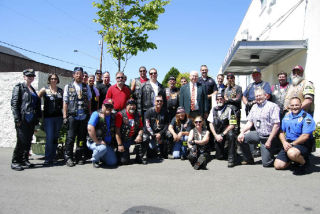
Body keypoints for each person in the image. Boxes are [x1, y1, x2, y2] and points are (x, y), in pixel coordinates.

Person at [237, 88, 280, 167]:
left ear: (265, 96)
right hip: (258, 134)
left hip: (268, 137)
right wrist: (242, 132)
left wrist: (269, 140)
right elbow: (250, 122)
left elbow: (276, 125)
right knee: (241, 139)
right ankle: (249, 159)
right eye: (256, 96)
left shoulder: (273, 106)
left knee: (266, 163)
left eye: (260, 95)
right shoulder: (254, 107)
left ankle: (276, 158)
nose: (258, 98)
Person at [274, 97, 316, 174]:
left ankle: (305, 163)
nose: (294, 107)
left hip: (303, 144)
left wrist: (292, 144)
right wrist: (284, 143)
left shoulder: (306, 117)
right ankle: (294, 160)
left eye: (296, 105)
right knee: (278, 165)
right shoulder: (287, 117)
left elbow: (305, 136)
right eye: (292, 105)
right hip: (289, 143)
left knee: (292, 153)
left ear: (301, 105)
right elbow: (281, 131)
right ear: (289, 106)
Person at [11, 69, 41, 171]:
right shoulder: (19, 87)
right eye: (28, 76)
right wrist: (17, 119)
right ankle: (15, 161)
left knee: (28, 140)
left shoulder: (32, 89)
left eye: (32, 76)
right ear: (24, 76)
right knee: (21, 141)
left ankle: (24, 160)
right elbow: (14, 104)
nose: (30, 77)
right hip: (23, 119)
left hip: (31, 119)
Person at [63, 67, 92, 167]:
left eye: (81, 74)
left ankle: (79, 157)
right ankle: (68, 157)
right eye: (77, 74)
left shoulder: (86, 87)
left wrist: (89, 114)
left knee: (81, 138)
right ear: (73, 75)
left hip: (83, 117)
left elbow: (89, 101)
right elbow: (65, 102)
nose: (79, 75)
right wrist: (64, 116)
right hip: (72, 116)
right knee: (70, 138)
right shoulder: (68, 86)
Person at [38, 73, 63, 166]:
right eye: (52, 78)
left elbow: (65, 102)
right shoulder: (44, 89)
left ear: (57, 80)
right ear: (49, 80)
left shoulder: (60, 90)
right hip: (48, 118)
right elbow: (37, 98)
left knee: (55, 138)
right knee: (49, 138)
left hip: (58, 117)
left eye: (55, 78)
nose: (54, 80)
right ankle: (48, 158)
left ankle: (53, 156)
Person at [208, 93, 238, 167]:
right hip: (217, 134)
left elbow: (233, 124)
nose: (219, 100)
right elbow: (210, 123)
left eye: (221, 98)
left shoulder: (231, 109)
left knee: (231, 135)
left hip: (226, 132)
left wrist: (223, 134)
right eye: (217, 99)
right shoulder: (213, 109)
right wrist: (215, 135)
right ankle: (226, 151)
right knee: (219, 156)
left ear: (224, 100)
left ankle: (231, 158)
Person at [87, 98, 117, 168]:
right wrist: (97, 141)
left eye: (111, 106)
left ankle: (102, 156)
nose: (109, 108)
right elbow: (90, 129)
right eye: (107, 106)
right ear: (103, 106)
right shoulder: (96, 114)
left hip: (107, 143)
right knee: (102, 148)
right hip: (95, 141)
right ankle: (95, 159)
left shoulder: (113, 116)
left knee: (112, 162)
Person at [115, 98, 144, 165]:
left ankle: (139, 157)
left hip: (133, 137)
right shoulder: (120, 115)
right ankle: (118, 152)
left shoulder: (138, 115)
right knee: (124, 161)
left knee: (145, 137)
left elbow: (141, 128)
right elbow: (117, 132)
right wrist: (120, 144)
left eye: (134, 105)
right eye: (130, 105)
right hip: (123, 140)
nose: (132, 107)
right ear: (126, 106)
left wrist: (139, 135)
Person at [143, 95, 169, 159]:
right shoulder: (148, 112)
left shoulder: (165, 112)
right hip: (151, 134)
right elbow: (147, 126)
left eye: (161, 101)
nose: (159, 102)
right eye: (157, 101)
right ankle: (146, 151)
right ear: (154, 102)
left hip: (160, 134)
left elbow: (166, 125)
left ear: (163, 103)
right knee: (152, 154)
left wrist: (160, 133)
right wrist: (154, 135)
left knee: (169, 134)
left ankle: (166, 150)